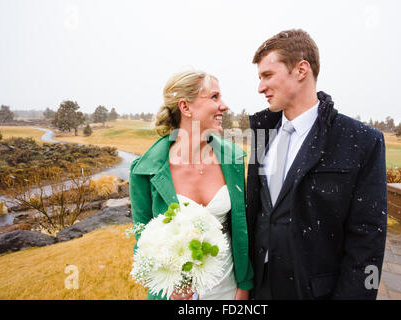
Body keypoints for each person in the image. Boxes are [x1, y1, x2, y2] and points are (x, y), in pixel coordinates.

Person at [246, 29, 387, 300]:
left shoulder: (362, 141)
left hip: (312, 292)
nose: (260, 87)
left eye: (267, 75)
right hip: (259, 288)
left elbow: (367, 241)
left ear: (301, 70)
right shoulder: (261, 133)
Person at [129, 70, 253, 300]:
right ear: (186, 107)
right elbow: (142, 242)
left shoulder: (234, 158)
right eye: (214, 97)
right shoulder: (143, 170)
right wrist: (169, 292)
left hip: (230, 292)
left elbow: (242, 227)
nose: (224, 106)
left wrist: (244, 287)